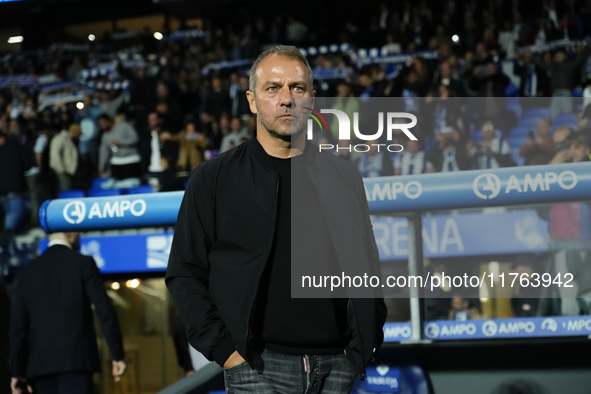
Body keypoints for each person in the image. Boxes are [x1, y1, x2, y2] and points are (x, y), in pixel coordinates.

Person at [166, 45, 386, 394]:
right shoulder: (213, 178)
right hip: (257, 367)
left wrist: (365, 342)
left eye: (297, 88)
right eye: (273, 88)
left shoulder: (345, 177)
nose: (287, 99)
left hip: (338, 368)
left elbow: (368, 265)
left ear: (312, 99)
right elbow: (184, 272)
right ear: (252, 101)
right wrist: (226, 352)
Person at [9, 231, 126, 394]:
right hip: (76, 363)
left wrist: (17, 372)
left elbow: (18, 328)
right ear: (69, 232)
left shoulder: (27, 272)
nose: (80, 235)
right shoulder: (83, 263)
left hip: (40, 367)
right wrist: (117, 354)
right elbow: (104, 310)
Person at [49, 123, 81, 193]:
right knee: (64, 193)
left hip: (66, 171)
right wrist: (61, 170)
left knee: (67, 190)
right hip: (61, 172)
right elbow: (54, 154)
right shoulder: (60, 138)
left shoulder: (68, 139)